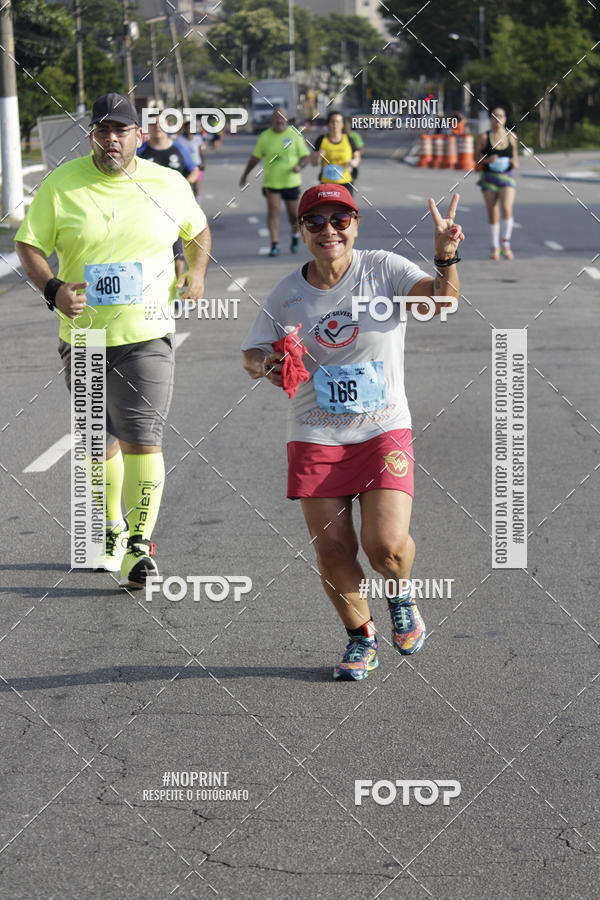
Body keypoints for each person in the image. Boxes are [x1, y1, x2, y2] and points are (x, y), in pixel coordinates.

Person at [241, 183, 464, 680]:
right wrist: (267, 364)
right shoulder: (288, 293)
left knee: (384, 544)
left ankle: (400, 595)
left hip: (382, 428)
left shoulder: (383, 269)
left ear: (355, 224)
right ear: (302, 230)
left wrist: (445, 257)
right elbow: (251, 352)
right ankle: (360, 639)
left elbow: (441, 303)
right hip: (315, 433)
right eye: (315, 222)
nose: (328, 230)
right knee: (334, 549)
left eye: (339, 220)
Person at [15, 92, 211, 589]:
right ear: (92, 136)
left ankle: (139, 546)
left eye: (121, 130)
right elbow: (27, 244)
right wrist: (54, 289)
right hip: (83, 336)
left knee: (142, 436)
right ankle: (110, 528)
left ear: (137, 136)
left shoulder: (166, 183)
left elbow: (199, 231)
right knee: (95, 443)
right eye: (103, 130)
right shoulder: (60, 185)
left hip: (146, 334)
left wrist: (197, 272)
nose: (111, 138)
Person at [240, 108, 310, 257]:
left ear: (287, 119)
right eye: (276, 118)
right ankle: (274, 243)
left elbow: (305, 157)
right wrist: (245, 174)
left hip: (291, 181)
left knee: (293, 215)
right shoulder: (265, 136)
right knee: (273, 211)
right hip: (271, 182)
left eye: (282, 117)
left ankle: (295, 235)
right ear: (272, 119)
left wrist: (300, 166)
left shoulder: (295, 135)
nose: (279, 120)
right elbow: (255, 158)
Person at [138, 115, 200, 280]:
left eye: (160, 123)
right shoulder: (141, 151)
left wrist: (184, 184)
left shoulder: (178, 149)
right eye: (152, 123)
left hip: (174, 208)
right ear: (148, 128)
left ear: (168, 126)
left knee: (177, 253)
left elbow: (194, 170)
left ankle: (175, 286)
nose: (157, 126)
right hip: (147, 209)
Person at [475, 107, 518, 260]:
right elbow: (477, 158)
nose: (498, 118)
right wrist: (488, 160)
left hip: (506, 176)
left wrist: (511, 162)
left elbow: (516, 161)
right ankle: (495, 246)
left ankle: (505, 243)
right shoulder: (484, 137)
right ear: (491, 119)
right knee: (493, 211)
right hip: (489, 177)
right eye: (495, 116)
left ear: (505, 118)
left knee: (506, 207)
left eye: (501, 115)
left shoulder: (511, 136)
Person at [312, 110, 361, 194]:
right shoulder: (321, 140)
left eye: (338, 121)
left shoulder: (348, 139)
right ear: (328, 123)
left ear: (342, 124)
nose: (335, 124)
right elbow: (314, 163)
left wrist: (353, 162)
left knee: (344, 207)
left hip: (345, 183)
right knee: (327, 207)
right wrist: (319, 157)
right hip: (326, 183)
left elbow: (357, 157)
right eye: (332, 121)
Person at [177, 118, 206, 202]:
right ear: (184, 129)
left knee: (196, 186)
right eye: (187, 127)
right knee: (187, 185)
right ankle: (188, 201)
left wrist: (204, 163)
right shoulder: (179, 139)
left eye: (191, 127)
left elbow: (201, 152)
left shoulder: (198, 138)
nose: (189, 129)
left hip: (197, 165)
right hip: (184, 166)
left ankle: (197, 201)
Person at [343, 116, 364, 181]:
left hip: (351, 162)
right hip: (341, 163)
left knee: (350, 181)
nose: (346, 127)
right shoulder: (340, 137)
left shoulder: (355, 136)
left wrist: (355, 158)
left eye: (347, 125)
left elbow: (360, 149)